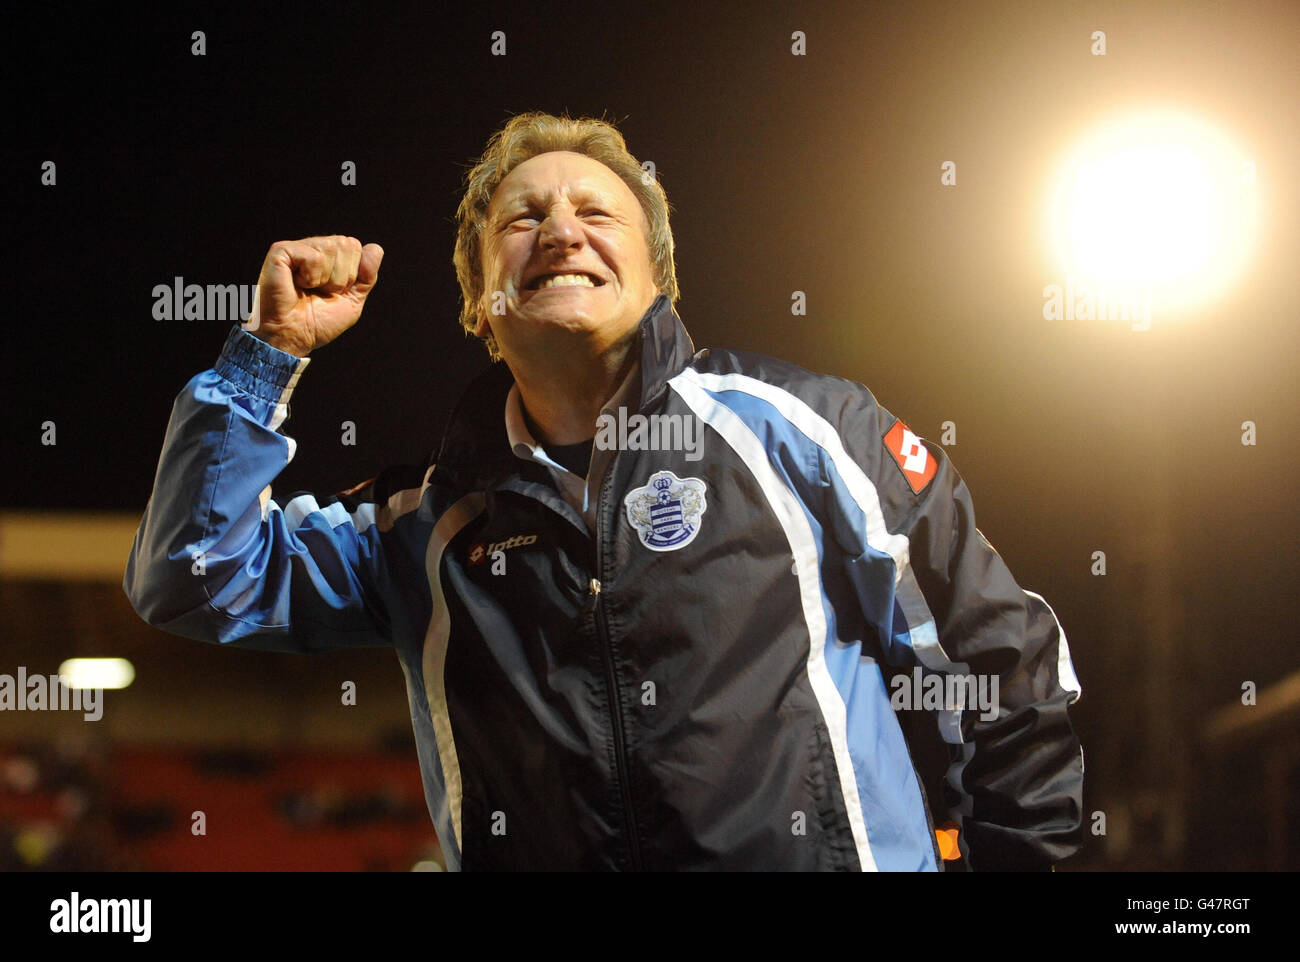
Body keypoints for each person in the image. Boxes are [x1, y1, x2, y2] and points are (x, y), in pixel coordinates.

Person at [124, 110, 1084, 871]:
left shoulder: (799, 426)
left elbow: (992, 654)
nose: (559, 233)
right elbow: (194, 576)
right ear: (476, 296)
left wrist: (1013, 858)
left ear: (658, 273)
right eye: (522, 218)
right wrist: (268, 355)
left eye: (595, 212)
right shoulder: (419, 523)